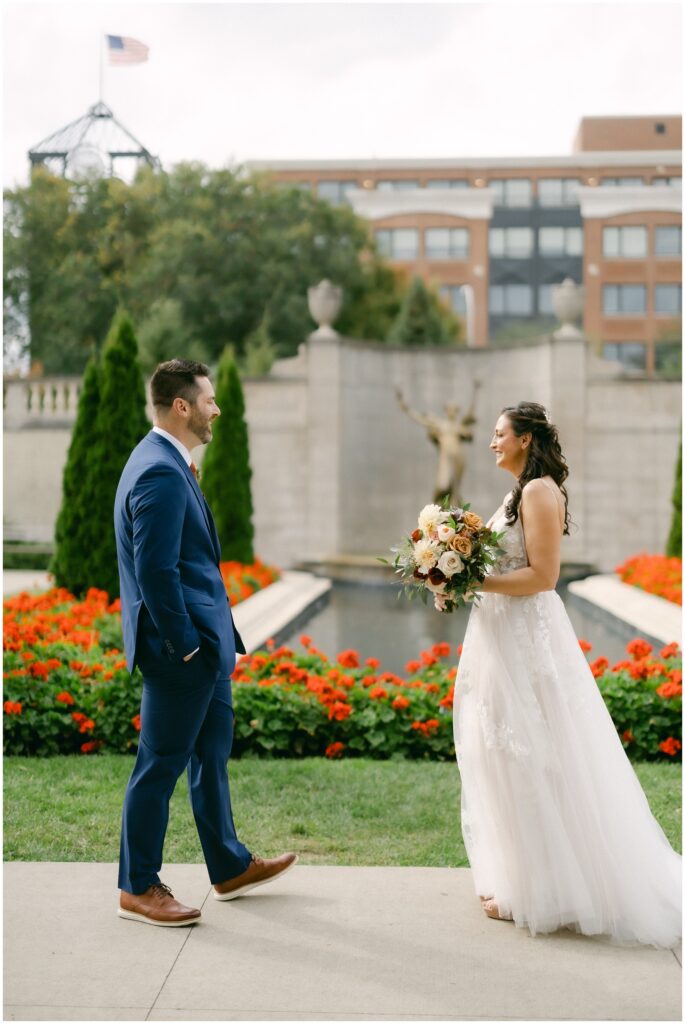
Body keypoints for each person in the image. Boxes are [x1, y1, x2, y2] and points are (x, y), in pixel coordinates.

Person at [452, 401, 681, 948]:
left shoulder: (537, 492)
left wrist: (470, 584)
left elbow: (543, 576)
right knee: (501, 755)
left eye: (500, 433)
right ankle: (522, 880)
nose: (492, 442)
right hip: (497, 637)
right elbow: (501, 566)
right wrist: (452, 582)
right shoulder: (517, 493)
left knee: (534, 756)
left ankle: (546, 891)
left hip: (526, 640)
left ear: (526, 439)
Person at [114, 359, 296, 927]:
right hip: (181, 653)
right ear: (182, 407)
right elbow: (156, 572)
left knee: (211, 755)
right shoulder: (160, 472)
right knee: (160, 764)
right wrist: (187, 645)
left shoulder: (172, 462)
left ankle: (229, 865)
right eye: (209, 400)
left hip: (206, 648)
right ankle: (138, 886)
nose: (218, 409)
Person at [395, 382, 480, 507]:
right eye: (450, 408)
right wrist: (404, 405)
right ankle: (434, 511)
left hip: (458, 458)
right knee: (442, 485)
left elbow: (470, 413)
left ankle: (454, 513)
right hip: (446, 458)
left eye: (454, 409)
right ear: (446, 410)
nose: (452, 411)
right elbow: (421, 419)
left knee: (454, 489)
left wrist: (476, 391)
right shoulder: (440, 424)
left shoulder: (458, 425)